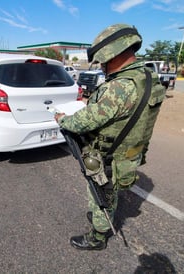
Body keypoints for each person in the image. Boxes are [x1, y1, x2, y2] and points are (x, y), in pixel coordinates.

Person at [55, 24, 166, 250]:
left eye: (103, 61)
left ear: (114, 55)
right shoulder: (146, 76)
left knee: (100, 196)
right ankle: (103, 219)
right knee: (110, 192)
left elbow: (80, 123)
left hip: (107, 157)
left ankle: (98, 236)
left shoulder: (118, 88)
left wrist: (61, 119)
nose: (103, 66)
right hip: (129, 153)